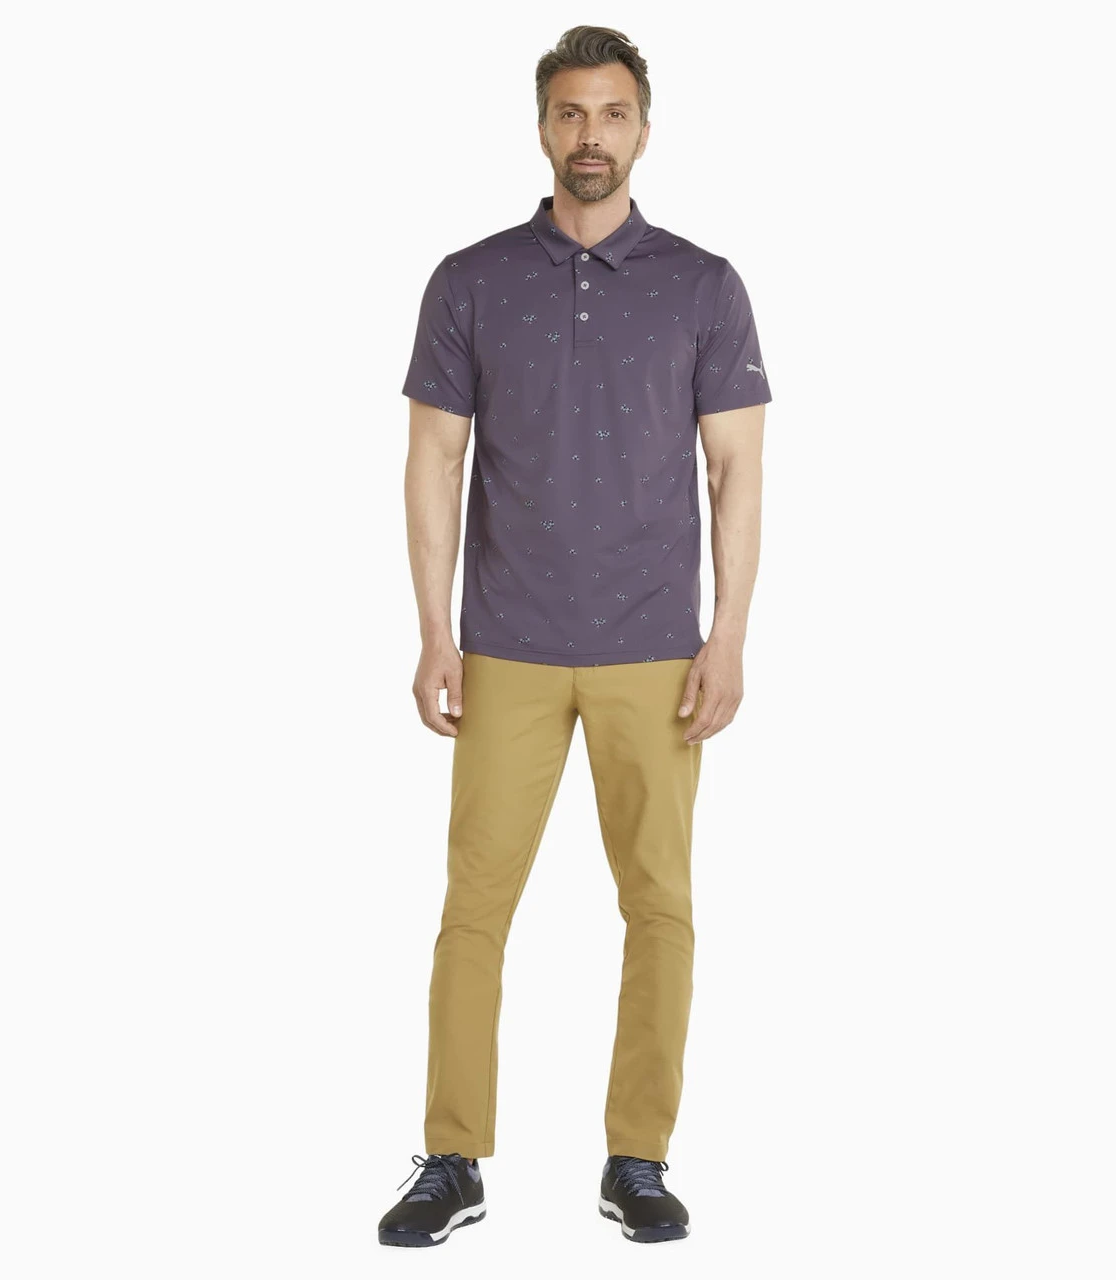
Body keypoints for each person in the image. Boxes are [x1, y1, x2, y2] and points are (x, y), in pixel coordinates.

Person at [379, 24, 771, 1248]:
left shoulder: (704, 285)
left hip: (656, 646)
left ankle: (636, 1157)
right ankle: (452, 1156)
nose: (588, 135)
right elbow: (433, 458)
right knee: (473, 906)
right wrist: (432, 630)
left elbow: (736, 472)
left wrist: (728, 636)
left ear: (642, 128)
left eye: (610, 113)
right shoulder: (470, 279)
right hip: (505, 641)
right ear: (541, 125)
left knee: (658, 904)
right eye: (568, 113)